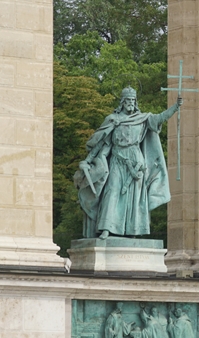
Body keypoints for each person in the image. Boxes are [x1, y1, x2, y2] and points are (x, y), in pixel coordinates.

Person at [75, 87, 181, 239]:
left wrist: (175, 107)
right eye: (128, 100)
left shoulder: (143, 119)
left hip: (136, 162)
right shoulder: (113, 119)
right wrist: (88, 160)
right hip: (118, 159)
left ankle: (133, 231)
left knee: (135, 197)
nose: (131, 103)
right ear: (122, 102)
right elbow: (102, 143)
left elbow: (160, 118)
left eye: (133, 100)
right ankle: (106, 228)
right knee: (112, 190)